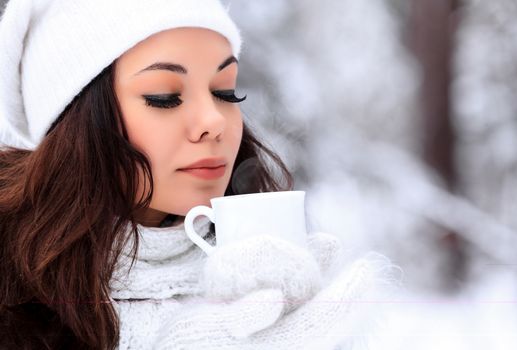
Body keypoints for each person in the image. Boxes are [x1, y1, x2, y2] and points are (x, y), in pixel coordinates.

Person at [0, 0, 398, 349]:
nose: (214, 122)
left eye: (226, 92)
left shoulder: (266, 270)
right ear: (75, 126)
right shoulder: (13, 297)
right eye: (164, 97)